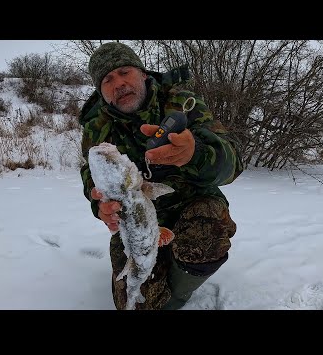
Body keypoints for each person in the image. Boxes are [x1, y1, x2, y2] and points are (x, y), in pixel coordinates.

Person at [79, 42, 243, 310]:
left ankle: (178, 292)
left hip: (192, 205)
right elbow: (90, 172)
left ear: (143, 74)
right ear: (101, 91)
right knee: (135, 304)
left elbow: (233, 162)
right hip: (136, 223)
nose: (118, 83)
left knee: (207, 233)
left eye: (124, 72)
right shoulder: (97, 125)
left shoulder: (182, 103)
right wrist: (99, 205)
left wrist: (195, 153)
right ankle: (156, 275)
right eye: (107, 79)